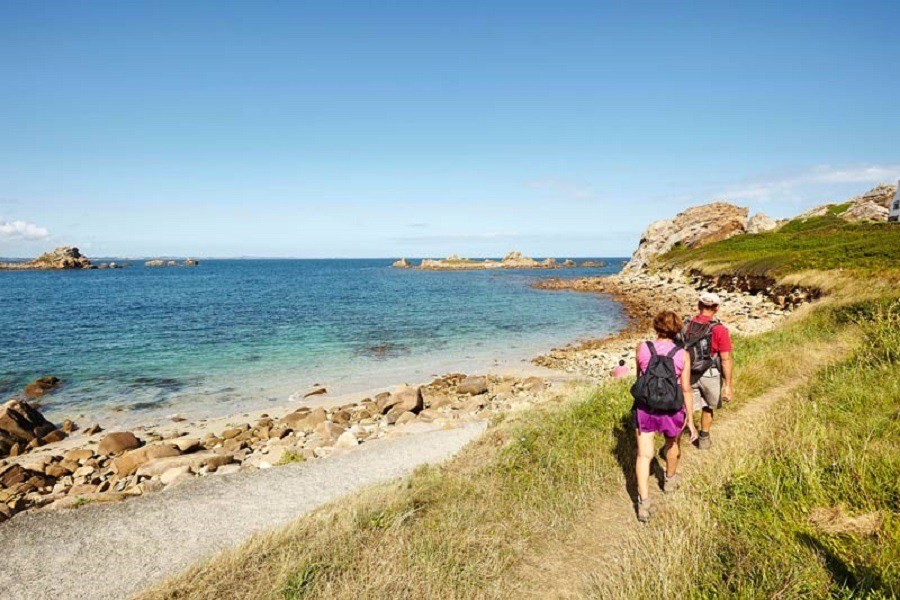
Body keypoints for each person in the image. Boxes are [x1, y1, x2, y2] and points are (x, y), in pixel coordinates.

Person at [632, 310, 698, 522]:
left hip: (646, 407)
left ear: (656, 326)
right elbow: (686, 388)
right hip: (672, 407)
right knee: (672, 444)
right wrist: (691, 419)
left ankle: (643, 503)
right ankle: (669, 481)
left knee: (644, 455)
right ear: (677, 329)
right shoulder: (682, 354)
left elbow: (639, 378)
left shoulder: (642, 348)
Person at [681, 292, 733, 450]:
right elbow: (725, 359)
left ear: (699, 305)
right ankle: (704, 440)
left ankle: (675, 442)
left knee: (685, 407)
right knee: (708, 407)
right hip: (710, 373)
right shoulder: (720, 329)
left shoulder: (685, 325)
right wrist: (728, 385)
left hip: (687, 372)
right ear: (716, 308)